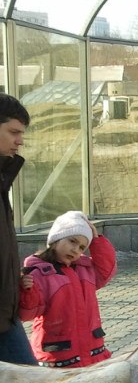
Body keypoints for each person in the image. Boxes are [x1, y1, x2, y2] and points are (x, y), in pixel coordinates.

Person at [19, 210, 117, 368]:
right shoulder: (39, 274)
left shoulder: (85, 270)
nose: (76, 250)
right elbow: (27, 313)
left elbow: (106, 270)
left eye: (82, 247)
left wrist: (96, 240)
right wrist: (27, 291)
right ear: (56, 239)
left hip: (92, 354)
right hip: (58, 357)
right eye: (72, 241)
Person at [0, 94, 37, 365]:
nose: (20, 140)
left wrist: (14, 279)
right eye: (13, 132)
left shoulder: (3, 179)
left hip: (6, 315)